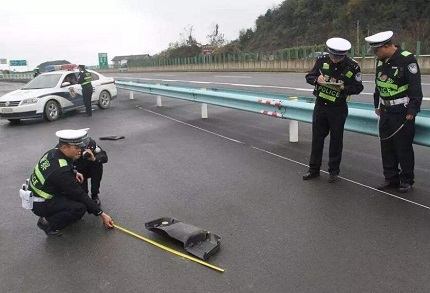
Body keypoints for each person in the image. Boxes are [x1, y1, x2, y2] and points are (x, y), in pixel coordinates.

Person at [365, 31, 423, 193]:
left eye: (376, 51)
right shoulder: (381, 61)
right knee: (387, 146)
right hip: (385, 110)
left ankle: (406, 179)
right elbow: (379, 86)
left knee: (402, 147)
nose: (375, 54)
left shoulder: (407, 59)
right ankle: (390, 178)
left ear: (386, 46)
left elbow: (415, 88)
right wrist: (377, 104)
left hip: (402, 110)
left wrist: (412, 111)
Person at [29, 128, 114, 236]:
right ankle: (47, 222)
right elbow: (80, 194)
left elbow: (64, 165)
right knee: (79, 208)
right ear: (64, 147)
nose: (80, 150)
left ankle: (55, 215)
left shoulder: (53, 152)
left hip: (40, 194)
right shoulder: (61, 173)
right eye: (76, 147)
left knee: (77, 200)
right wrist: (102, 214)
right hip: (41, 203)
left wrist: (74, 172)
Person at [303, 37, 364, 183]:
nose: (335, 59)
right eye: (333, 56)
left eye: (339, 57)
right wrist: (316, 79)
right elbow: (309, 76)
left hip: (338, 108)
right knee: (317, 139)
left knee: (336, 141)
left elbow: (358, 87)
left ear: (344, 55)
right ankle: (313, 169)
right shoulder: (321, 60)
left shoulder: (353, 66)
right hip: (321, 106)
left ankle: (333, 171)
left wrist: (344, 88)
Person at [74, 137, 108, 206]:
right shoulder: (68, 148)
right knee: (83, 191)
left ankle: (94, 195)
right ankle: (84, 196)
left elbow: (104, 157)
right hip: (78, 170)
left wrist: (94, 158)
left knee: (98, 165)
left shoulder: (92, 145)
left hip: (92, 169)